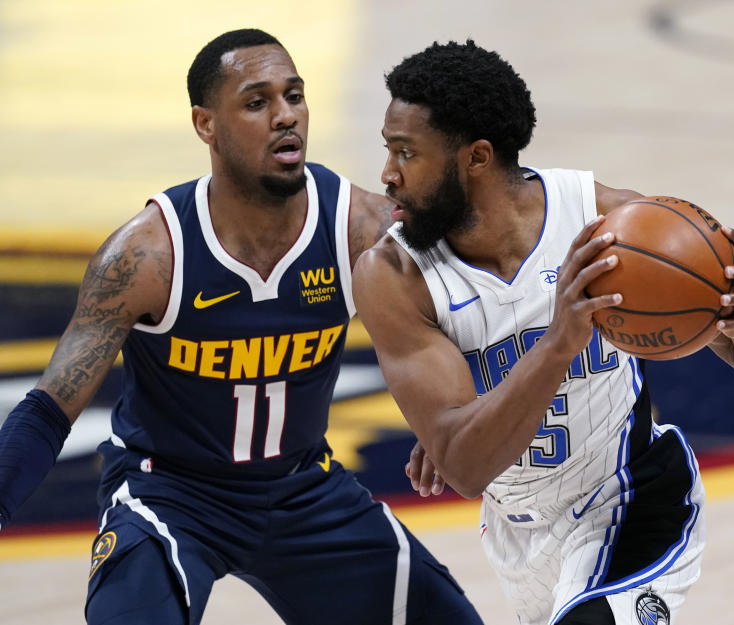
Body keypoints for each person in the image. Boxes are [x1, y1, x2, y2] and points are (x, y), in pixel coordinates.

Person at [0, 29, 483, 625]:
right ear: (206, 124)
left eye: (295, 96)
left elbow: (476, 306)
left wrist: (451, 409)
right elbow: (51, 407)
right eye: (257, 103)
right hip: (168, 495)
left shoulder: (361, 226)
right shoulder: (149, 255)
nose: (286, 117)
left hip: (304, 488)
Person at [353, 40, 734, 625]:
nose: (388, 175)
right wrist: (556, 343)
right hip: (518, 536)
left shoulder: (610, 228)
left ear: (477, 157)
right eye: (388, 151)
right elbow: (464, 466)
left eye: (406, 153)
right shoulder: (395, 274)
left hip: (634, 497)